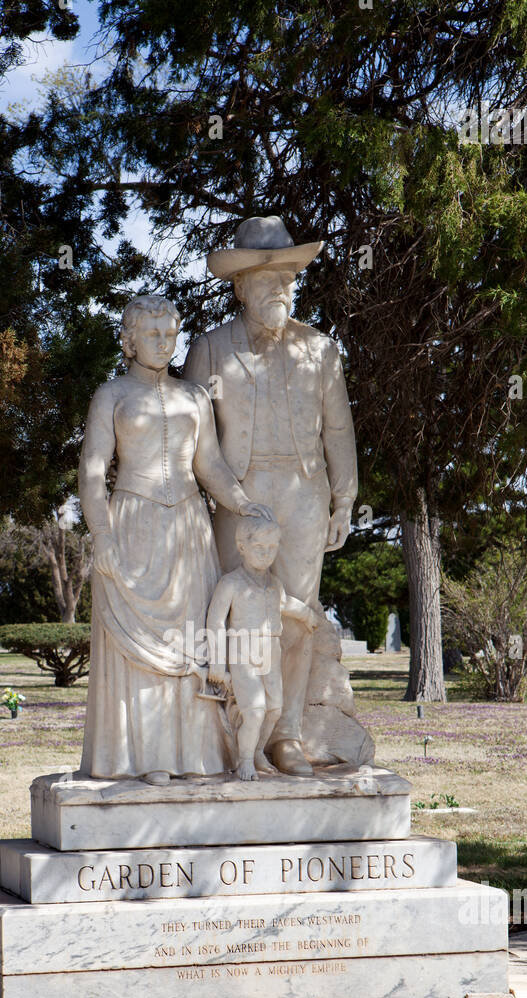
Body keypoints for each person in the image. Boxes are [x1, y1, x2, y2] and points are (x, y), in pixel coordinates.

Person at [184, 214, 358, 777]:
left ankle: (284, 735)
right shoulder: (209, 350)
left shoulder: (321, 349)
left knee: (296, 618)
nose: (279, 287)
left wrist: (344, 501)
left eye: (287, 277)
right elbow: (189, 435)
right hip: (237, 495)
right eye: (265, 278)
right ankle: (232, 738)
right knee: (238, 617)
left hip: (305, 497)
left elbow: (338, 429)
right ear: (239, 286)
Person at [78, 293, 271, 783]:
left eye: (170, 335)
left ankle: (197, 757)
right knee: (140, 655)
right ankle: (142, 760)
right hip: (132, 525)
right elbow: (93, 470)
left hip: (188, 528)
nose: (164, 344)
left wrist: (244, 504)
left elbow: (209, 465)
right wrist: (101, 533)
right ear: (129, 339)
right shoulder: (112, 395)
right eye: (152, 335)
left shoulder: (195, 397)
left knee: (191, 645)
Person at [206, 515, 316, 781]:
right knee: (254, 711)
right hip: (243, 652)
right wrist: (218, 662)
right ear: (242, 547)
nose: (267, 554)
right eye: (259, 548)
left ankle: (255, 751)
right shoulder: (231, 583)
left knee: (274, 708)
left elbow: (286, 603)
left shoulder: (274, 584)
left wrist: (307, 616)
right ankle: (244, 761)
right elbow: (215, 621)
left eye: (272, 548)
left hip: (270, 651)